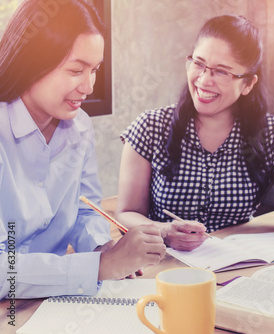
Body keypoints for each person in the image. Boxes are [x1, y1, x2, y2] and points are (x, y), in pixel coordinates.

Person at [117, 15, 274, 269]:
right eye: (198, 63)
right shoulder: (150, 126)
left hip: (240, 268)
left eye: (221, 71)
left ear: (247, 84)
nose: (203, 80)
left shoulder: (273, 134)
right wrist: (164, 230)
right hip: (163, 268)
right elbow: (126, 213)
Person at [0, 0, 166, 300]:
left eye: (95, 70)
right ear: (31, 61)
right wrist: (100, 266)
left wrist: (103, 247)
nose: (88, 87)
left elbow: (84, 209)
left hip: (49, 300)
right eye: (76, 70)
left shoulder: (80, 128)